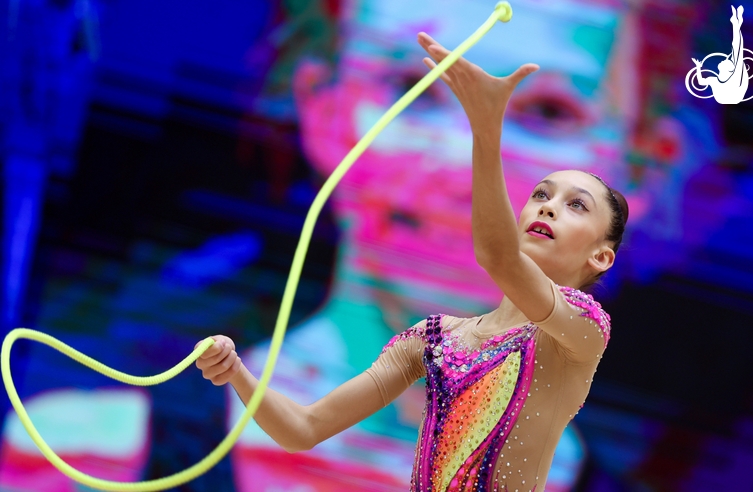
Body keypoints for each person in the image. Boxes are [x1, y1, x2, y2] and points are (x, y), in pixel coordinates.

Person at [196, 31, 629, 492]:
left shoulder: (580, 331)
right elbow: (302, 430)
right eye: (541, 194)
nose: (546, 207)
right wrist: (238, 374)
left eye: (575, 205)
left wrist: (487, 127)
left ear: (602, 256)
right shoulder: (433, 339)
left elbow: (497, 257)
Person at [692, 5, 748, 104]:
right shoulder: (716, 80)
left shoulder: (727, 80)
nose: (725, 60)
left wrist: (736, 25)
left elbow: (737, 47)